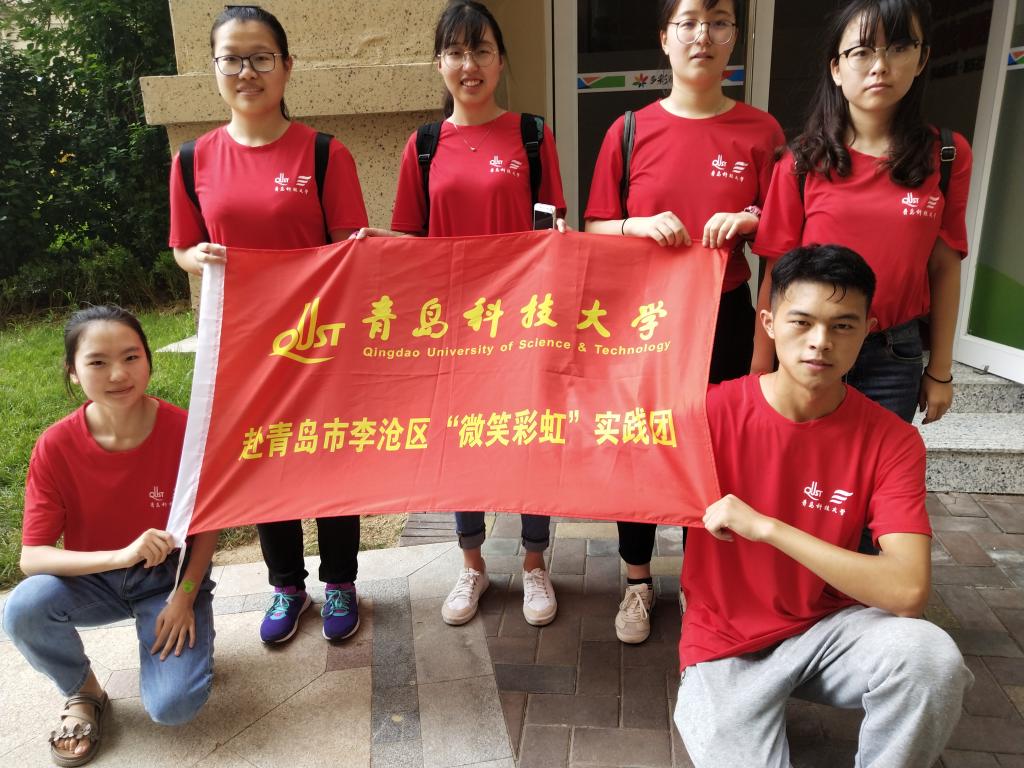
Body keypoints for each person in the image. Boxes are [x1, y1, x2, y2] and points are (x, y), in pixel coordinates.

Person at [673, 245, 972, 767]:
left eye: (842, 326)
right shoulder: (706, 412)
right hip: (725, 640)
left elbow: (907, 591)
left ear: (867, 330)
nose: (820, 342)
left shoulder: (892, 440)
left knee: (930, 658)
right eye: (802, 322)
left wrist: (766, 527)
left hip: (829, 630)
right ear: (768, 323)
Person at [357, 0, 567, 627]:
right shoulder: (424, 146)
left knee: (528, 439)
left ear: (500, 62)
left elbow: (552, 230)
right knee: (462, 443)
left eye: (481, 50)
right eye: (455, 52)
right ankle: (472, 565)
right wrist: (373, 246)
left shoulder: (532, 135)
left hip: (521, 323)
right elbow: (411, 243)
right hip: (452, 328)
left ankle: (535, 564)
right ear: (439, 64)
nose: (468, 64)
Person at [583, 0, 784, 644]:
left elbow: (785, 234)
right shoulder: (629, 131)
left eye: (719, 21)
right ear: (666, 39)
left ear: (734, 39)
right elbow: (594, 228)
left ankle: (705, 582)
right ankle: (637, 581)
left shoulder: (760, 131)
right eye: (690, 22)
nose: (704, 35)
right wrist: (635, 225)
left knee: (716, 450)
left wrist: (751, 220)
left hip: (726, 315)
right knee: (641, 446)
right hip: (645, 324)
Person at [168, 5, 369, 644]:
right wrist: (196, 258)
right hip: (242, 347)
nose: (246, 72)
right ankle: (287, 585)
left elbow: (350, 252)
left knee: (330, 459)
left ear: (286, 66)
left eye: (260, 57)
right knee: (263, 459)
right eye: (231, 59)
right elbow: (183, 246)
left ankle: (340, 582)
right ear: (214, 69)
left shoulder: (324, 153)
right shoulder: (192, 159)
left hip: (319, 344)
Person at [2, 305, 219, 768]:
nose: (118, 374)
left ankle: (192, 636)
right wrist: (120, 556)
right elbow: (32, 557)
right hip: (94, 579)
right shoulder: (56, 445)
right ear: (73, 371)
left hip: (167, 582)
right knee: (23, 608)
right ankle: (84, 693)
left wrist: (185, 597)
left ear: (148, 360)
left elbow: (208, 525)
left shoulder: (187, 432)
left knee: (173, 706)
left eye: (131, 357)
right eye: (98, 362)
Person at [752, 0, 971, 429]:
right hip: (809, 347)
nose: (880, 66)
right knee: (804, 465)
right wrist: (760, 368)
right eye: (863, 51)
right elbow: (777, 272)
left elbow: (944, 267)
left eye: (899, 48)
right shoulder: (801, 162)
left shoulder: (947, 155)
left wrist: (940, 370)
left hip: (893, 355)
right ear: (836, 68)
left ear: (921, 58)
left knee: (874, 466)